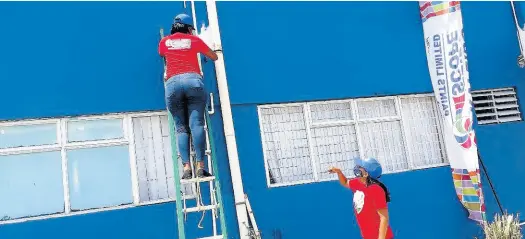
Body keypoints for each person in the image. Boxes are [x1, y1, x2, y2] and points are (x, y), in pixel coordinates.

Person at [158, 13, 218, 179]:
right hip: (193, 81)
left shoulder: (164, 42)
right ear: (189, 28)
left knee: (181, 127)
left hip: (172, 85)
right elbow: (214, 56)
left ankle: (186, 168)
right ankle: (200, 165)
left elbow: (162, 54)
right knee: (196, 123)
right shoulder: (194, 40)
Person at [329, 158, 394, 239]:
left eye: (360, 167)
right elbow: (345, 183)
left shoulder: (375, 189)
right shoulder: (357, 183)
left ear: (366, 173)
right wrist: (339, 172)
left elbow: (384, 217)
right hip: (367, 236)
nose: (357, 167)